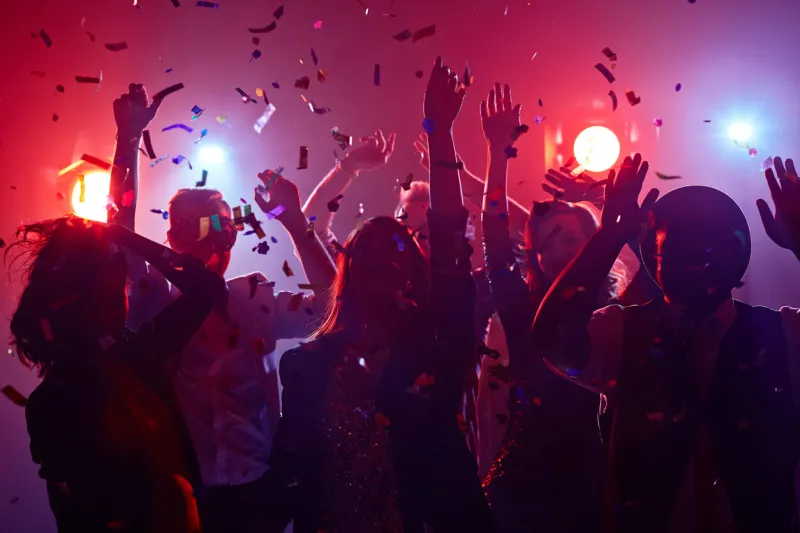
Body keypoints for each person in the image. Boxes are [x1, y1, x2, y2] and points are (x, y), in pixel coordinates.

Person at [266, 56, 495, 533]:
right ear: (347, 269)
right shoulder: (306, 365)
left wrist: (440, 133)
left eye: (396, 247)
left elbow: (450, 235)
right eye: (365, 249)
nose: (379, 255)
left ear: (413, 271)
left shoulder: (438, 341)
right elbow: (289, 475)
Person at [532, 154, 800, 533]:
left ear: (740, 255)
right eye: (681, 247)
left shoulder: (784, 333)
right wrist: (609, 235)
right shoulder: (621, 332)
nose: (699, 260)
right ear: (653, 258)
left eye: (711, 245)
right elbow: (552, 338)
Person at [111, 84, 337, 533]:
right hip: (180, 502)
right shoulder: (154, 299)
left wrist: (294, 221)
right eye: (197, 228)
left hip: (260, 501)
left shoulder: (253, 301)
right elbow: (119, 235)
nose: (214, 241)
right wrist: (128, 137)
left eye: (224, 228)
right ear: (170, 239)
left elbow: (331, 307)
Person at [11, 215, 226, 533]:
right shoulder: (138, 359)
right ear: (108, 301)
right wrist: (124, 237)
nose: (126, 297)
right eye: (122, 288)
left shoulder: (44, 403)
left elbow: (69, 512)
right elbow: (206, 287)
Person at [477, 83, 628, 533]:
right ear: (535, 257)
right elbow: (494, 240)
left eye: (573, 238)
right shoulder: (521, 310)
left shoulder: (620, 313)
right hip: (526, 486)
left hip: (603, 481)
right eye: (550, 240)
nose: (562, 248)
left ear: (593, 243)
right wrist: (498, 154)